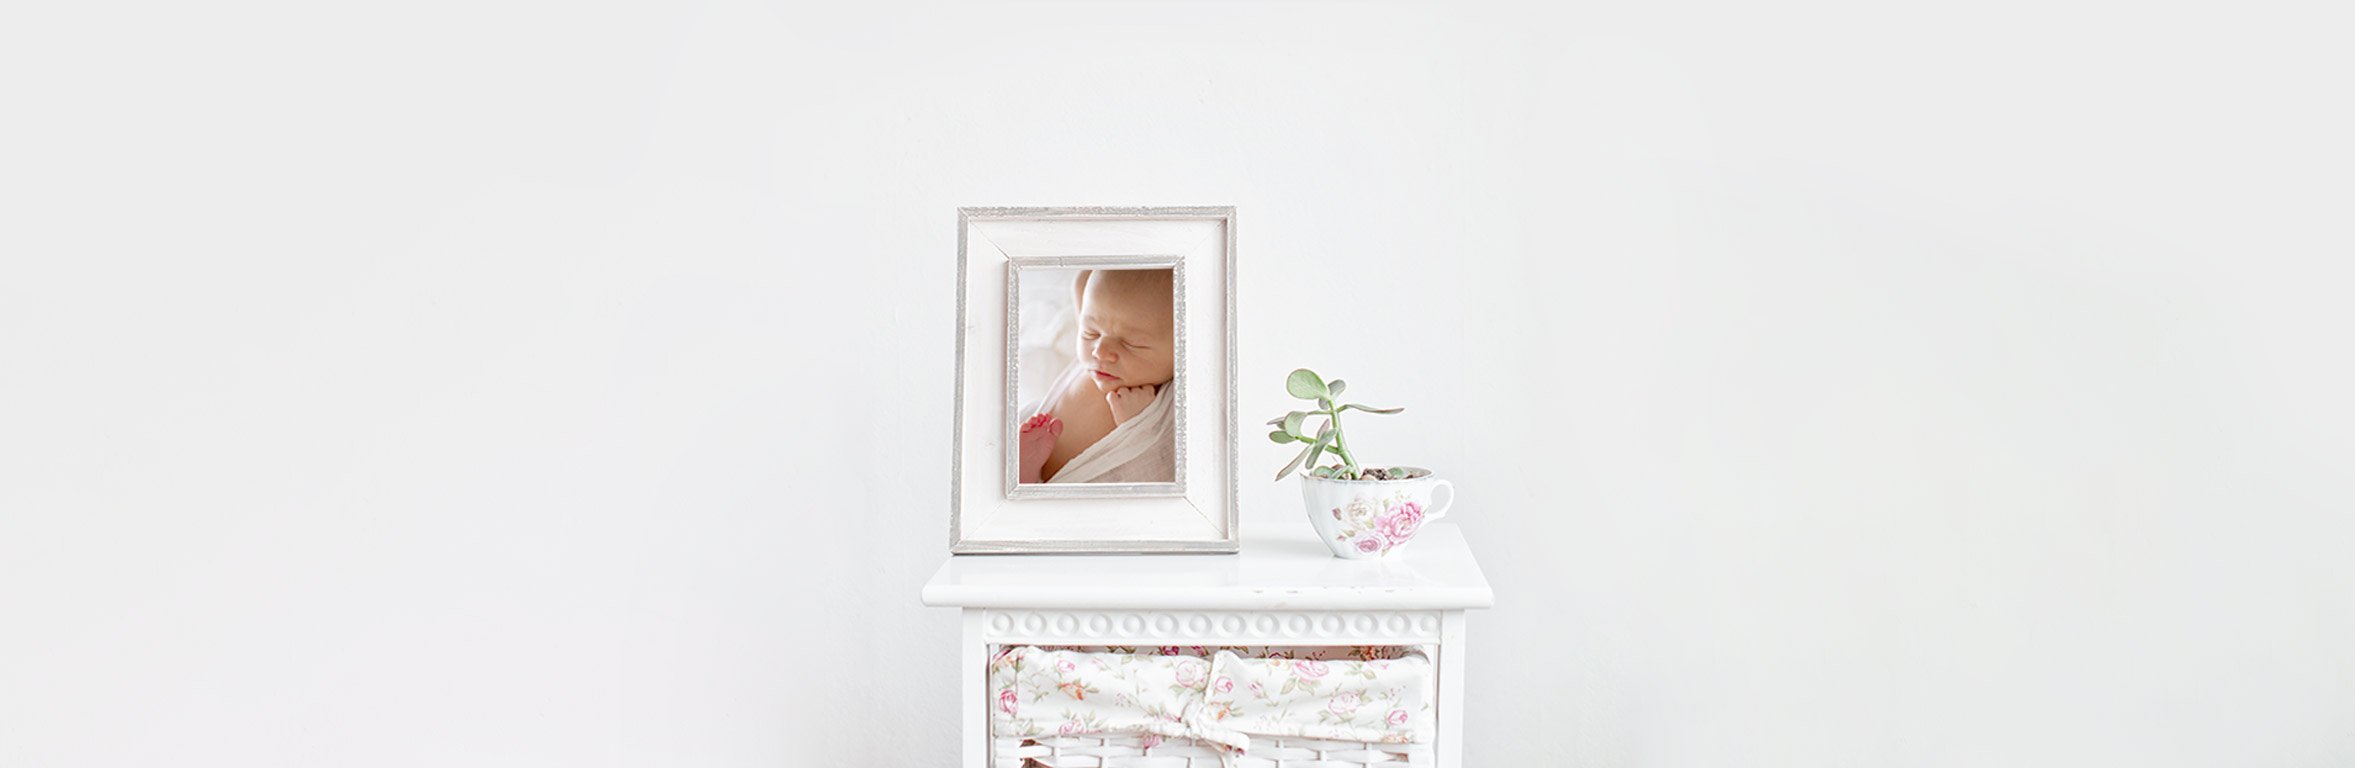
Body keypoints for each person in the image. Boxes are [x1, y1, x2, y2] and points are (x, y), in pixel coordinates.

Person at [1015, 268, 1177, 484]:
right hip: (1035, 432)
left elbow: (1163, 469)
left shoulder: (1166, 404)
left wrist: (1138, 426)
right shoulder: (1099, 334)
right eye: (1090, 332)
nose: (1099, 351)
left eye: (1131, 344)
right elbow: (1082, 279)